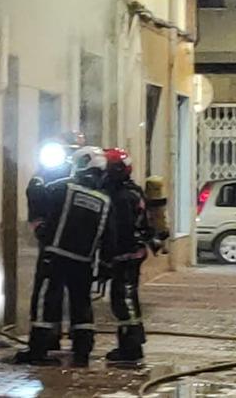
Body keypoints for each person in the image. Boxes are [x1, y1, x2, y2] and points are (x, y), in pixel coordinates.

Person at [15, 146, 111, 367]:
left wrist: (38, 178)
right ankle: (82, 351)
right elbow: (109, 236)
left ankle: (38, 350)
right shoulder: (104, 201)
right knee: (82, 305)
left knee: (45, 301)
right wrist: (105, 265)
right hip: (84, 262)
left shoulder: (62, 188)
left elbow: (38, 197)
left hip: (55, 256)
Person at [23, 131, 84, 352]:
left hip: (76, 247)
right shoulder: (41, 181)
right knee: (48, 292)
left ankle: (79, 341)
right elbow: (36, 208)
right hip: (52, 247)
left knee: (78, 294)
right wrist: (44, 233)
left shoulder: (79, 180)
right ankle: (48, 338)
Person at [99, 148, 153, 364]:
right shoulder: (133, 190)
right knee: (127, 297)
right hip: (134, 251)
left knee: (123, 299)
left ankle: (131, 347)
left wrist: (106, 259)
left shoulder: (120, 196)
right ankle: (132, 343)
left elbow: (116, 231)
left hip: (125, 254)